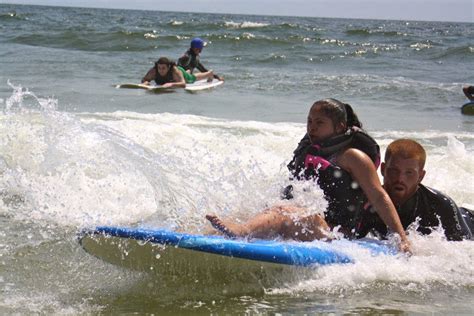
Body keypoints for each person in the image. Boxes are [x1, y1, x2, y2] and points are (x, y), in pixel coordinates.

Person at [206, 98, 411, 253]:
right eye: (309, 121)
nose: (311, 127)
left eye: (319, 123)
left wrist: (401, 238)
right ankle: (208, 234)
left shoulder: (353, 157)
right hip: (304, 220)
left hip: (335, 233)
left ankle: (241, 232)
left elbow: (378, 196)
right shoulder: (311, 152)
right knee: (266, 210)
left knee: (285, 211)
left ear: (340, 126)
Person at [357, 139, 473, 241]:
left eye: (409, 173)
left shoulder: (440, 205)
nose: (400, 178)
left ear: (420, 176)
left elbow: (464, 250)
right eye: (394, 170)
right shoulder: (366, 203)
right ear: (383, 170)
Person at [141, 57, 214, 88]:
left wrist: (171, 84)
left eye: (163, 68)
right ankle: (187, 72)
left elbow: (183, 84)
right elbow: (145, 79)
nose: (161, 70)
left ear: (168, 67)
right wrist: (145, 82)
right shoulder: (153, 71)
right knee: (187, 74)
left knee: (191, 78)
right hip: (180, 74)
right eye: (159, 68)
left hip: (180, 72)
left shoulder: (174, 70)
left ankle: (209, 73)